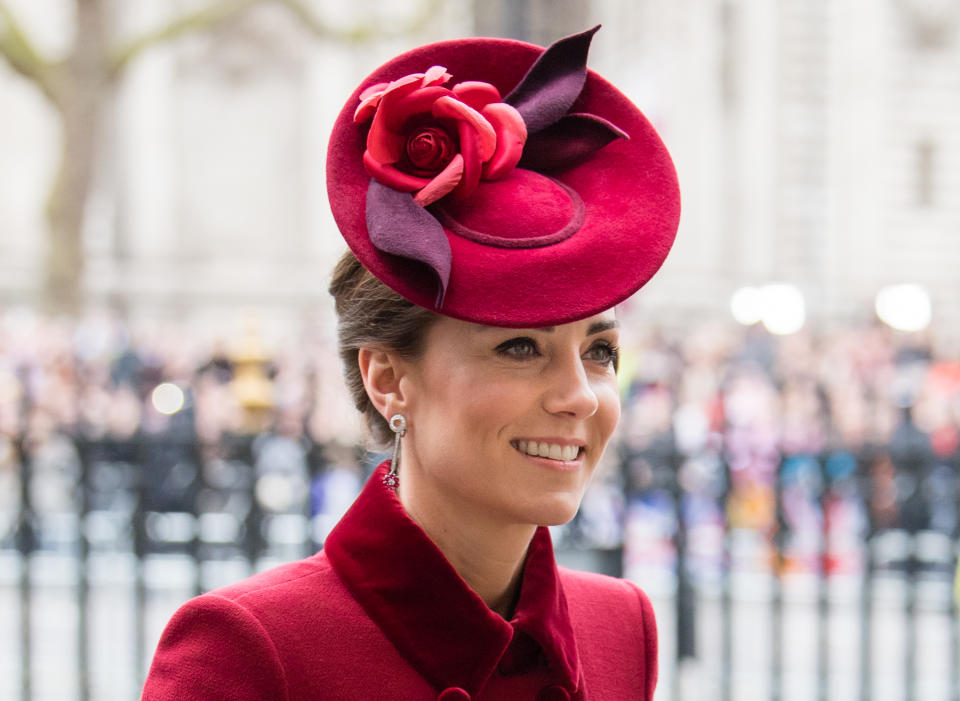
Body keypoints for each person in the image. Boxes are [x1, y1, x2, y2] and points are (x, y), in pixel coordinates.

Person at [141, 26, 680, 701]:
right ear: (388, 378)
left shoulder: (620, 628)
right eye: (520, 347)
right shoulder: (249, 649)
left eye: (599, 351)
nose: (579, 395)